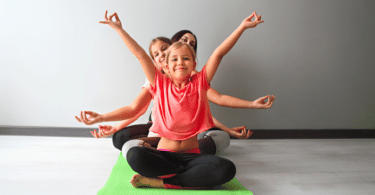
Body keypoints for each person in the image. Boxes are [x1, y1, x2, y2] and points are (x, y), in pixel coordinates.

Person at [90, 10, 263, 189]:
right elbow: (141, 55)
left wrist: (242, 27)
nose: (180, 62)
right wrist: (119, 29)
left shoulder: (200, 83)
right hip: (165, 155)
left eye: (186, 58)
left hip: (193, 156)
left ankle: (164, 181)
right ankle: (184, 179)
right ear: (166, 65)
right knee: (135, 155)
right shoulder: (160, 84)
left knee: (226, 169)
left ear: (194, 64)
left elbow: (219, 54)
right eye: (174, 59)